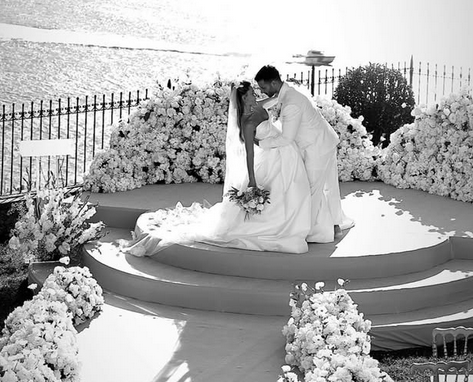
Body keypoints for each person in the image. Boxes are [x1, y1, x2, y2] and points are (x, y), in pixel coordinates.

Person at [124, 81, 312, 256]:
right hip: (270, 158)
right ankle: (278, 228)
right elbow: (249, 154)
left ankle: (295, 225)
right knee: (278, 192)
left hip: (283, 154)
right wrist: (252, 180)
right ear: (243, 99)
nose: (255, 96)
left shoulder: (257, 106)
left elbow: (274, 100)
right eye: (251, 94)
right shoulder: (247, 123)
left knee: (292, 189)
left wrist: (287, 93)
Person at [254, 65, 354, 243]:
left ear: (274, 82)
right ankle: (334, 225)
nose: (262, 91)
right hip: (324, 141)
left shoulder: (291, 103)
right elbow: (273, 100)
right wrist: (253, 105)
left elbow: (286, 138)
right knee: (328, 187)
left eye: (264, 87)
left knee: (312, 190)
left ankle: (308, 232)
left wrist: (260, 143)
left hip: (317, 147)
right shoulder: (287, 92)